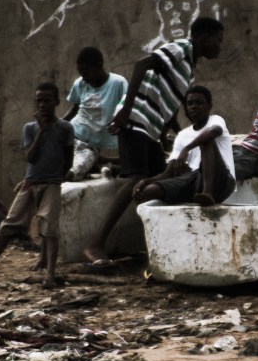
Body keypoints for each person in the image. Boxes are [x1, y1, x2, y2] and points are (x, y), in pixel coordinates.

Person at [84, 16, 225, 265]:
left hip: (150, 128)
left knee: (165, 178)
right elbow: (141, 66)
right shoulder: (182, 47)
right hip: (136, 118)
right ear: (205, 38)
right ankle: (96, 243)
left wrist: (175, 133)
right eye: (218, 40)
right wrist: (126, 109)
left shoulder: (189, 70)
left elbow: (169, 102)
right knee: (136, 179)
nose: (220, 47)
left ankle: (162, 245)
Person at [0, 82, 75, 290]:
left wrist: (58, 178)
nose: (42, 105)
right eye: (38, 101)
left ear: (57, 102)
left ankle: (49, 275)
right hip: (31, 184)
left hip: (51, 184)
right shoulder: (30, 128)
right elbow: (30, 157)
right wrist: (42, 131)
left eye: (46, 101)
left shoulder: (65, 128)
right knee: (8, 226)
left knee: (50, 229)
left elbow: (68, 159)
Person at [132, 86, 235, 206]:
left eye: (199, 103)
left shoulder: (216, 120)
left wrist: (187, 148)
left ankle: (207, 194)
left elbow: (215, 131)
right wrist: (146, 181)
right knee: (148, 191)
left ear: (209, 106)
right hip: (193, 180)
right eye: (190, 103)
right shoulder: (182, 136)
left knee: (207, 140)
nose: (194, 106)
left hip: (222, 180)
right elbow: (168, 174)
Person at [63, 47, 126, 181]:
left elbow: (127, 108)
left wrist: (119, 123)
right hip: (71, 135)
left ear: (99, 66)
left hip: (90, 146)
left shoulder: (117, 83)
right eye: (81, 74)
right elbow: (75, 109)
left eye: (86, 73)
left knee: (72, 174)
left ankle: (104, 163)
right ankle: (104, 164)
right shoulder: (80, 83)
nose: (84, 78)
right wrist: (58, 125)